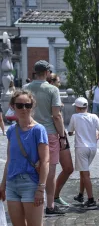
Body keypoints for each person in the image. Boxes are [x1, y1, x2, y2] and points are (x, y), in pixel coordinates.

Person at [0, 90, 49, 226]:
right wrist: (3, 184)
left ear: (32, 107)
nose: (23, 109)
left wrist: (41, 188)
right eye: (19, 105)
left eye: (27, 105)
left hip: (31, 184)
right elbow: (9, 159)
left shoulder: (39, 130)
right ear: (12, 106)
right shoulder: (12, 130)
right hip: (13, 184)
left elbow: (44, 161)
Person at [23, 60, 66, 216]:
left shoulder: (26, 88)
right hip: (49, 133)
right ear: (47, 72)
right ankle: (50, 206)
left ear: (35, 72)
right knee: (50, 170)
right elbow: (56, 115)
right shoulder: (52, 89)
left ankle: (29, 203)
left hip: (30, 131)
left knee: (32, 168)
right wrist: (62, 136)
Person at [68, 97, 99, 209]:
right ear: (86, 107)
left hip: (81, 148)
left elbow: (70, 132)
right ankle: (80, 194)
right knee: (83, 172)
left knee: (85, 174)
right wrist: (96, 138)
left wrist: (73, 132)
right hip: (92, 148)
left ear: (77, 108)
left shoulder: (75, 117)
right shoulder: (94, 116)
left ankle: (91, 200)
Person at [47, 73, 73, 207]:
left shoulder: (55, 94)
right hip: (53, 135)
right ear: (52, 81)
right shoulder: (50, 92)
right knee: (48, 170)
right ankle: (47, 201)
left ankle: (55, 196)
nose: (60, 83)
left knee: (68, 168)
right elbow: (55, 116)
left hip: (61, 134)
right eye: (58, 81)